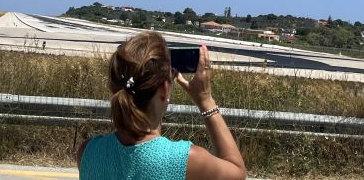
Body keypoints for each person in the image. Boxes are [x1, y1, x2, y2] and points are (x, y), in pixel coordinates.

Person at [78, 32, 246, 180]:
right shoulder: (185, 160)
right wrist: (205, 100)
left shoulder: (88, 152)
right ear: (165, 89)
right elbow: (237, 172)